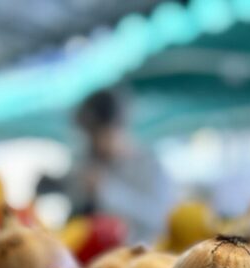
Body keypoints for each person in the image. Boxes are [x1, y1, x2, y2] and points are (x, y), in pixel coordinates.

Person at [64, 89, 176, 243]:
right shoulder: (91, 163)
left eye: (98, 134)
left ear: (118, 128)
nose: (94, 143)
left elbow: (162, 220)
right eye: (89, 136)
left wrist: (106, 190)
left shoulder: (149, 165)